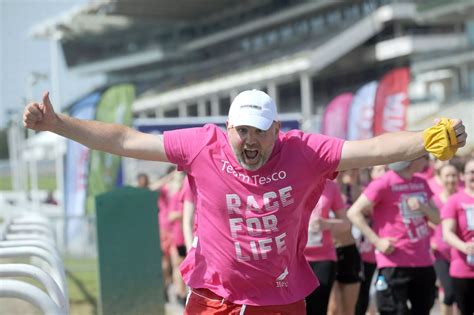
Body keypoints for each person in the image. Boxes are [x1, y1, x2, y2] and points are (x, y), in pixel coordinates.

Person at [23, 90, 467, 314]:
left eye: (259, 130)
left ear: (277, 129)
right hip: (213, 295)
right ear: (228, 127)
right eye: (242, 130)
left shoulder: (305, 151)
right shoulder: (203, 145)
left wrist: (424, 141)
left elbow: (370, 150)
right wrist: (58, 124)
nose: (249, 140)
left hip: (280, 297)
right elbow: (125, 138)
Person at [347, 156, 441, 315]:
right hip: (394, 262)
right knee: (395, 311)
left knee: (424, 309)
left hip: (423, 261)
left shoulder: (422, 182)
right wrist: (377, 242)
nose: (426, 161)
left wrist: (423, 208)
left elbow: (437, 219)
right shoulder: (383, 183)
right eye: (423, 157)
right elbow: (353, 212)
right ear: (411, 160)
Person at [304, 179, 350, 314]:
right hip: (296, 257)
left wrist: (327, 224)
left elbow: (346, 224)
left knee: (318, 308)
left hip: (323, 257)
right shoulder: (290, 179)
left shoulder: (330, 186)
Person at [442, 158, 474, 315]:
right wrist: (465, 247)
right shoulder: (454, 201)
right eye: (471, 172)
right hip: (463, 269)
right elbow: (447, 233)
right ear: (462, 176)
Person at [328, 169, 362, 315]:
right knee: (333, 308)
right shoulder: (318, 190)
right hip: (327, 252)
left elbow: (367, 212)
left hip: (348, 249)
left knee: (349, 309)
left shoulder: (352, 190)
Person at [354, 165, 387, 315]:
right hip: (364, 252)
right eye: (379, 170)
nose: (384, 173)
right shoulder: (364, 193)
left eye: (386, 169)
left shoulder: (391, 191)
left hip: (385, 252)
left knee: (380, 293)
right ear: (372, 173)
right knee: (363, 293)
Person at [431, 163, 460, 315]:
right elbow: (424, 221)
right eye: (447, 176)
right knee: (448, 292)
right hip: (440, 254)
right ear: (440, 179)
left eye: (454, 175)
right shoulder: (434, 200)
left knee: (460, 294)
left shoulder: (464, 197)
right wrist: (430, 241)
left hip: (461, 252)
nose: (451, 179)